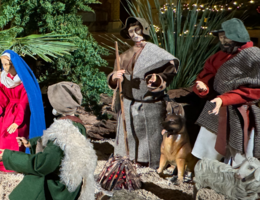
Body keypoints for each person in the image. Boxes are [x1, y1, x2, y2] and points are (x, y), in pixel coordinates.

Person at [0, 82, 97, 200]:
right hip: (72, 184)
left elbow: (43, 165)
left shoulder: (62, 133)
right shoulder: (76, 125)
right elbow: (54, 147)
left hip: (60, 188)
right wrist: (31, 143)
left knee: (33, 178)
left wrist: (8, 156)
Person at [109, 16, 179, 169]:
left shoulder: (156, 53)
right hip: (128, 102)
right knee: (129, 134)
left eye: (137, 30)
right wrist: (115, 77)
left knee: (150, 137)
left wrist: (157, 78)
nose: (135, 34)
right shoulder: (123, 56)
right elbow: (115, 75)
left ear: (144, 30)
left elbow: (170, 70)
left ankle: (149, 162)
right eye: (131, 31)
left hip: (149, 103)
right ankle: (128, 159)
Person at [192, 18, 260, 166]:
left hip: (242, 109)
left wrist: (226, 99)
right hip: (215, 108)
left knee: (240, 156)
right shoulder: (217, 57)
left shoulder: (254, 56)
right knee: (207, 152)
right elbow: (206, 75)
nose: (223, 40)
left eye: (226, 36)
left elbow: (255, 88)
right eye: (220, 37)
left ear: (237, 35)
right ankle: (208, 173)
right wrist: (204, 86)